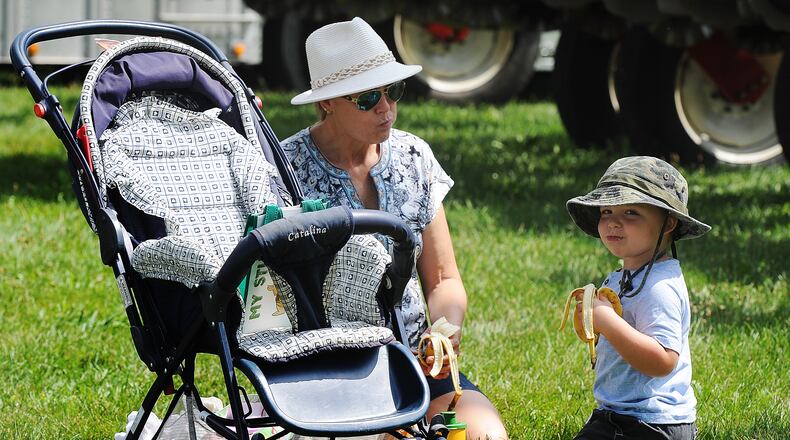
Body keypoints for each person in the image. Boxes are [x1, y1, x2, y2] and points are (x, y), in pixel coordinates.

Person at [279, 17, 507, 440]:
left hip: (415, 360)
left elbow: (443, 278)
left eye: (393, 91)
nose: (386, 108)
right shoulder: (287, 169)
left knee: (485, 435)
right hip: (332, 370)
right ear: (328, 102)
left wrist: (446, 329)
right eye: (368, 98)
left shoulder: (412, 154)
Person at [565, 156, 711, 440]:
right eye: (606, 211)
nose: (613, 222)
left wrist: (607, 320)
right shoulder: (620, 277)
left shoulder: (660, 287)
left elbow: (663, 361)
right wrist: (593, 320)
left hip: (653, 423)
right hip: (617, 415)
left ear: (668, 223)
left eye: (630, 212)